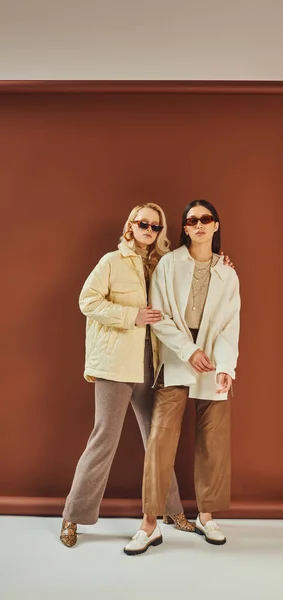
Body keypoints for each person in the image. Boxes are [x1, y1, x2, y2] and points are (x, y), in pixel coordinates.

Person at [60, 203, 195, 547]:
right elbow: (87, 301)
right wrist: (130, 315)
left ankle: (171, 509)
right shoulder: (111, 262)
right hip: (116, 363)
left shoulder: (163, 265)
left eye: (155, 226)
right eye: (143, 224)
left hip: (151, 365)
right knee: (104, 437)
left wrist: (222, 262)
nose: (148, 230)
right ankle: (72, 516)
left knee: (158, 441)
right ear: (130, 225)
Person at [124, 200, 240, 556]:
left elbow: (229, 324)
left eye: (206, 219)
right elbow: (158, 317)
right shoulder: (168, 264)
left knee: (214, 440)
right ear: (185, 228)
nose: (200, 225)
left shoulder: (228, 272)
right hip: (178, 356)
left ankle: (206, 515)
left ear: (216, 226)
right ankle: (149, 523)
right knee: (160, 439)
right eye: (192, 220)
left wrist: (225, 366)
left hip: (213, 360)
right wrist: (189, 351)